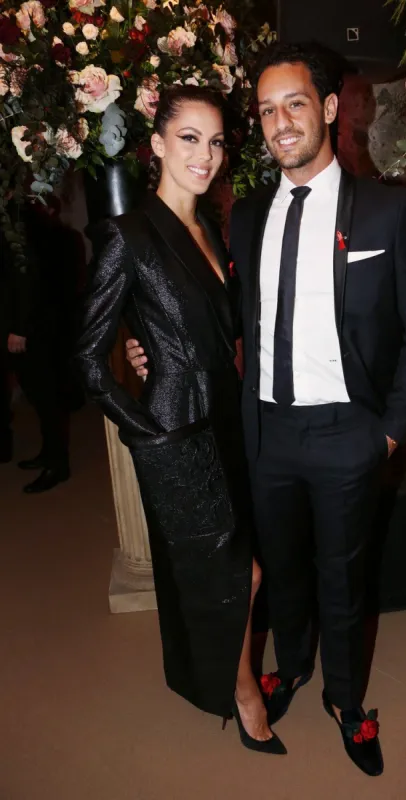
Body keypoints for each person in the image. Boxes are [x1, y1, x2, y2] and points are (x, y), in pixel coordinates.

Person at [127, 43, 406, 776]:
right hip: (263, 428)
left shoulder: (388, 209)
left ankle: (346, 700)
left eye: (294, 103)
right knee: (282, 570)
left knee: (342, 573)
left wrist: (392, 429)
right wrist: (152, 352)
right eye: (266, 110)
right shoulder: (246, 217)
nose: (279, 123)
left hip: (347, 430)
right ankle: (292, 666)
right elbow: (221, 319)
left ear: (329, 108)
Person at [76, 85, 285, 755]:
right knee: (236, 575)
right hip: (175, 433)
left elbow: (208, 328)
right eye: (190, 138)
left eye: (217, 140)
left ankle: (215, 675)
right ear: (157, 144)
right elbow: (85, 357)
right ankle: (243, 691)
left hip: (223, 419)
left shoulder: (209, 230)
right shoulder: (125, 235)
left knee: (220, 569)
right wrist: (143, 429)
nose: (206, 154)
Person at [0, 200, 77, 492]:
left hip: (29, 326)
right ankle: (50, 454)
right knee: (39, 394)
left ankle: (58, 465)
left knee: (44, 395)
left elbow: (26, 276)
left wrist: (19, 328)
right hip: (28, 322)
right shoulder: (16, 216)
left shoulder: (17, 218)